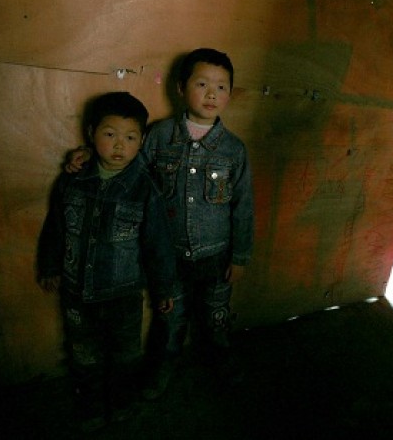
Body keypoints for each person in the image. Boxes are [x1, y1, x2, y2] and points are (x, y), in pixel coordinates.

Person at [65, 48, 254, 399]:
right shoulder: (159, 135)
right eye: (202, 83)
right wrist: (89, 153)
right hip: (171, 259)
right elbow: (125, 160)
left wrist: (240, 256)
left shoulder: (234, 150)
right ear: (181, 88)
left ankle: (221, 358)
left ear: (230, 93)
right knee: (169, 321)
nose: (212, 94)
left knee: (216, 317)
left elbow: (243, 208)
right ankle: (163, 367)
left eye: (222, 87)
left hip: (216, 256)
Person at [37, 92, 177, 431]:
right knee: (83, 355)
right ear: (90, 133)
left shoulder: (144, 188)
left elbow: (158, 243)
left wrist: (163, 289)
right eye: (109, 134)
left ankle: (122, 402)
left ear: (141, 141)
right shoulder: (73, 178)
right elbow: (56, 225)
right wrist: (50, 266)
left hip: (123, 296)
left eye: (130, 137)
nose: (119, 145)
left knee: (125, 356)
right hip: (76, 293)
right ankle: (90, 406)